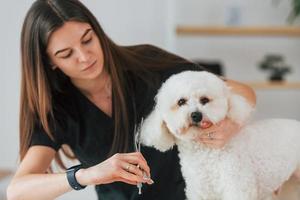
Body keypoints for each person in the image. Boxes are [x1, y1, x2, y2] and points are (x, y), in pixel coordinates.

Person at [6, 0, 256, 199]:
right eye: (66, 54)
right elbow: (18, 191)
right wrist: (87, 175)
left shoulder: (148, 64)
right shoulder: (57, 109)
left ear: (97, 30)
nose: (84, 57)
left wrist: (232, 126)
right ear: (50, 62)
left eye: (87, 39)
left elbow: (244, 92)